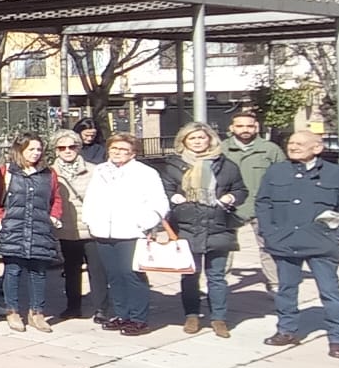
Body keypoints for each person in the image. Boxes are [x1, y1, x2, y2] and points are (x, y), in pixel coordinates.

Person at [256, 130, 339, 358]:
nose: (293, 147)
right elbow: (263, 204)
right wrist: (269, 233)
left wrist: (338, 234)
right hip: (284, 242)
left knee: (330, 292)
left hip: (321, 244)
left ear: (317, 148)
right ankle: (286, 331)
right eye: (291, 143)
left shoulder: (337, 174)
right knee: (285, 290)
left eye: (300, 143)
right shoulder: (276, 171)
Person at [160, 122, 245, 338]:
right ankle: (192, 315)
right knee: (190, 275)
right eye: (192, 138)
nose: (198, 142)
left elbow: (240, 189)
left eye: (201, 137)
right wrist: (174, 198)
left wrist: (230, 197)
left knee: (216, 276)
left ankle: (219, 318)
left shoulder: (226, 165)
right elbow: (165, 189)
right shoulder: (174, 165)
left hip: (218, 226)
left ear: (210, 139)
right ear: (184, 142)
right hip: (187, 228)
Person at [82, 134, 169, 336]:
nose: (118, 153)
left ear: (133, 153)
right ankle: (122, 314)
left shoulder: (145, 173)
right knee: (114, 276)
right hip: (103, 232)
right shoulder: (101, 170)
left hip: (131, 232)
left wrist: (144, 224)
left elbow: (159, 202)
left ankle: (138, 318)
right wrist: (90, 221)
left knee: (132, 275)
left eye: (124, 150)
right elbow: (91, 197)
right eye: (114, 149)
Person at [0, 134, 66, 333]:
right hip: (14, 228)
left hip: (39, 228)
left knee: (39, 273)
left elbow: (56, 198)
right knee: (13, 271)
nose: (35, 153)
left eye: (38, 149)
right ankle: (12, 311)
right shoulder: (7, 172)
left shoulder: (48, 174)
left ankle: (37, 312)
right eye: (31, 149)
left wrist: (54, 215)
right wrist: (0, 219)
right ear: (20, 150)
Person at [222, 110, 284, 282]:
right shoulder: (221, 149)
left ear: (256, 127)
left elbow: (284, 178)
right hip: (229, 208)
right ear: (232, 128)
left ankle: (275, 284)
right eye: (240, 126)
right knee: (223, 247)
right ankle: (218, 283)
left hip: (262, 208)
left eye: (249, 126)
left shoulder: (270, 150)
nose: (245, 129)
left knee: (268, 248)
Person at [49, 130, 104, 322]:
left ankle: (101, 309)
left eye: (72, 146)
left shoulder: (95, 170)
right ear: (55, 150)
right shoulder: (50, 172)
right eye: (62, 147)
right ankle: (73, 306)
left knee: (97, 270)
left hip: (91, 228)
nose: (67, 151)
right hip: (66, 229)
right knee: (71, 270)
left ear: (79, 147)